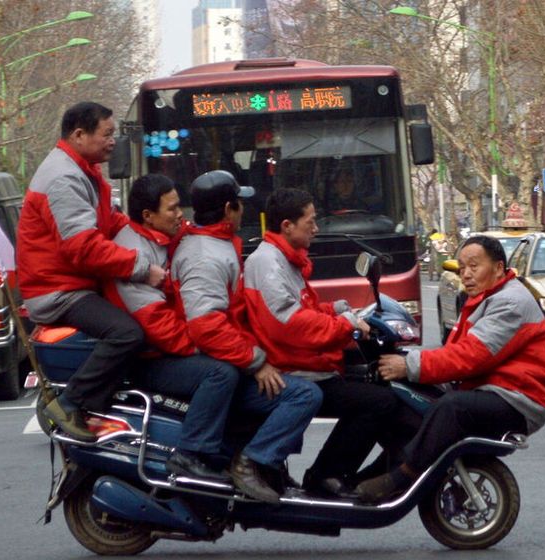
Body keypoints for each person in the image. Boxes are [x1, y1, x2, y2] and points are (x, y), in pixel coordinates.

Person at [355, 235, 545, 503]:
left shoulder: (510, 302)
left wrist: (409, 365)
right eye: (462, 268)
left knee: (452, 407)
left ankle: (402, 477)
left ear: (498, 268)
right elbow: (454, 352)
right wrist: (409, 359)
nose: (466, 274)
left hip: (518, 399)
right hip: (488, 388)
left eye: (474, 266)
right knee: (399, 403)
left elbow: (470, 357)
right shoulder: (483, 297)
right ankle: (374, 473)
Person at [243, 188, 418, 498]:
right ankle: (326, 476)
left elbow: (300, 309)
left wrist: (337, 310)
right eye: (309, 222)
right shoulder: (269, 263)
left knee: (370, 392)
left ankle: (329, 473)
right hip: (293, 369)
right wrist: (344, 325)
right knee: (378, 401)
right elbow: (290, 323)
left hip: (305, 361)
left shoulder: (283, 259)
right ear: (287, 226)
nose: (316, 228)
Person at [17, 102, 165, 442]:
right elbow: (83, 247)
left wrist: (156, 237)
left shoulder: (84, 170)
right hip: (58, 291)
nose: (112, 141)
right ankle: (72, 403)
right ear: (79, 134)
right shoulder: (64, 177)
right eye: (107, 134)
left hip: (75, 283)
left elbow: (110, 223)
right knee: (127, 333)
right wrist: (143, 269)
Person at [173, 170, 322, 503]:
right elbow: (206, 325)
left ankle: (266, 466)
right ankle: (251, 464)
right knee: (303, 395)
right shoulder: (204, 257)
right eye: (240, 203)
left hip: (230, 356)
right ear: (229, 210)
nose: (244, 210)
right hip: (215, 360)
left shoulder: (217, 244)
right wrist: (256, 362)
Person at [104, 174, 240, 481]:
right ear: (148, 216)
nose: (181, 215)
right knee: (221, 372)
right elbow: (158, 325)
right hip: (148, 357)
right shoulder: (133, 251)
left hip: (164, 348)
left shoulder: (161, 236)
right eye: (172, 209)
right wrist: (205, 344)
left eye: (180, 206)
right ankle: (190, 453)